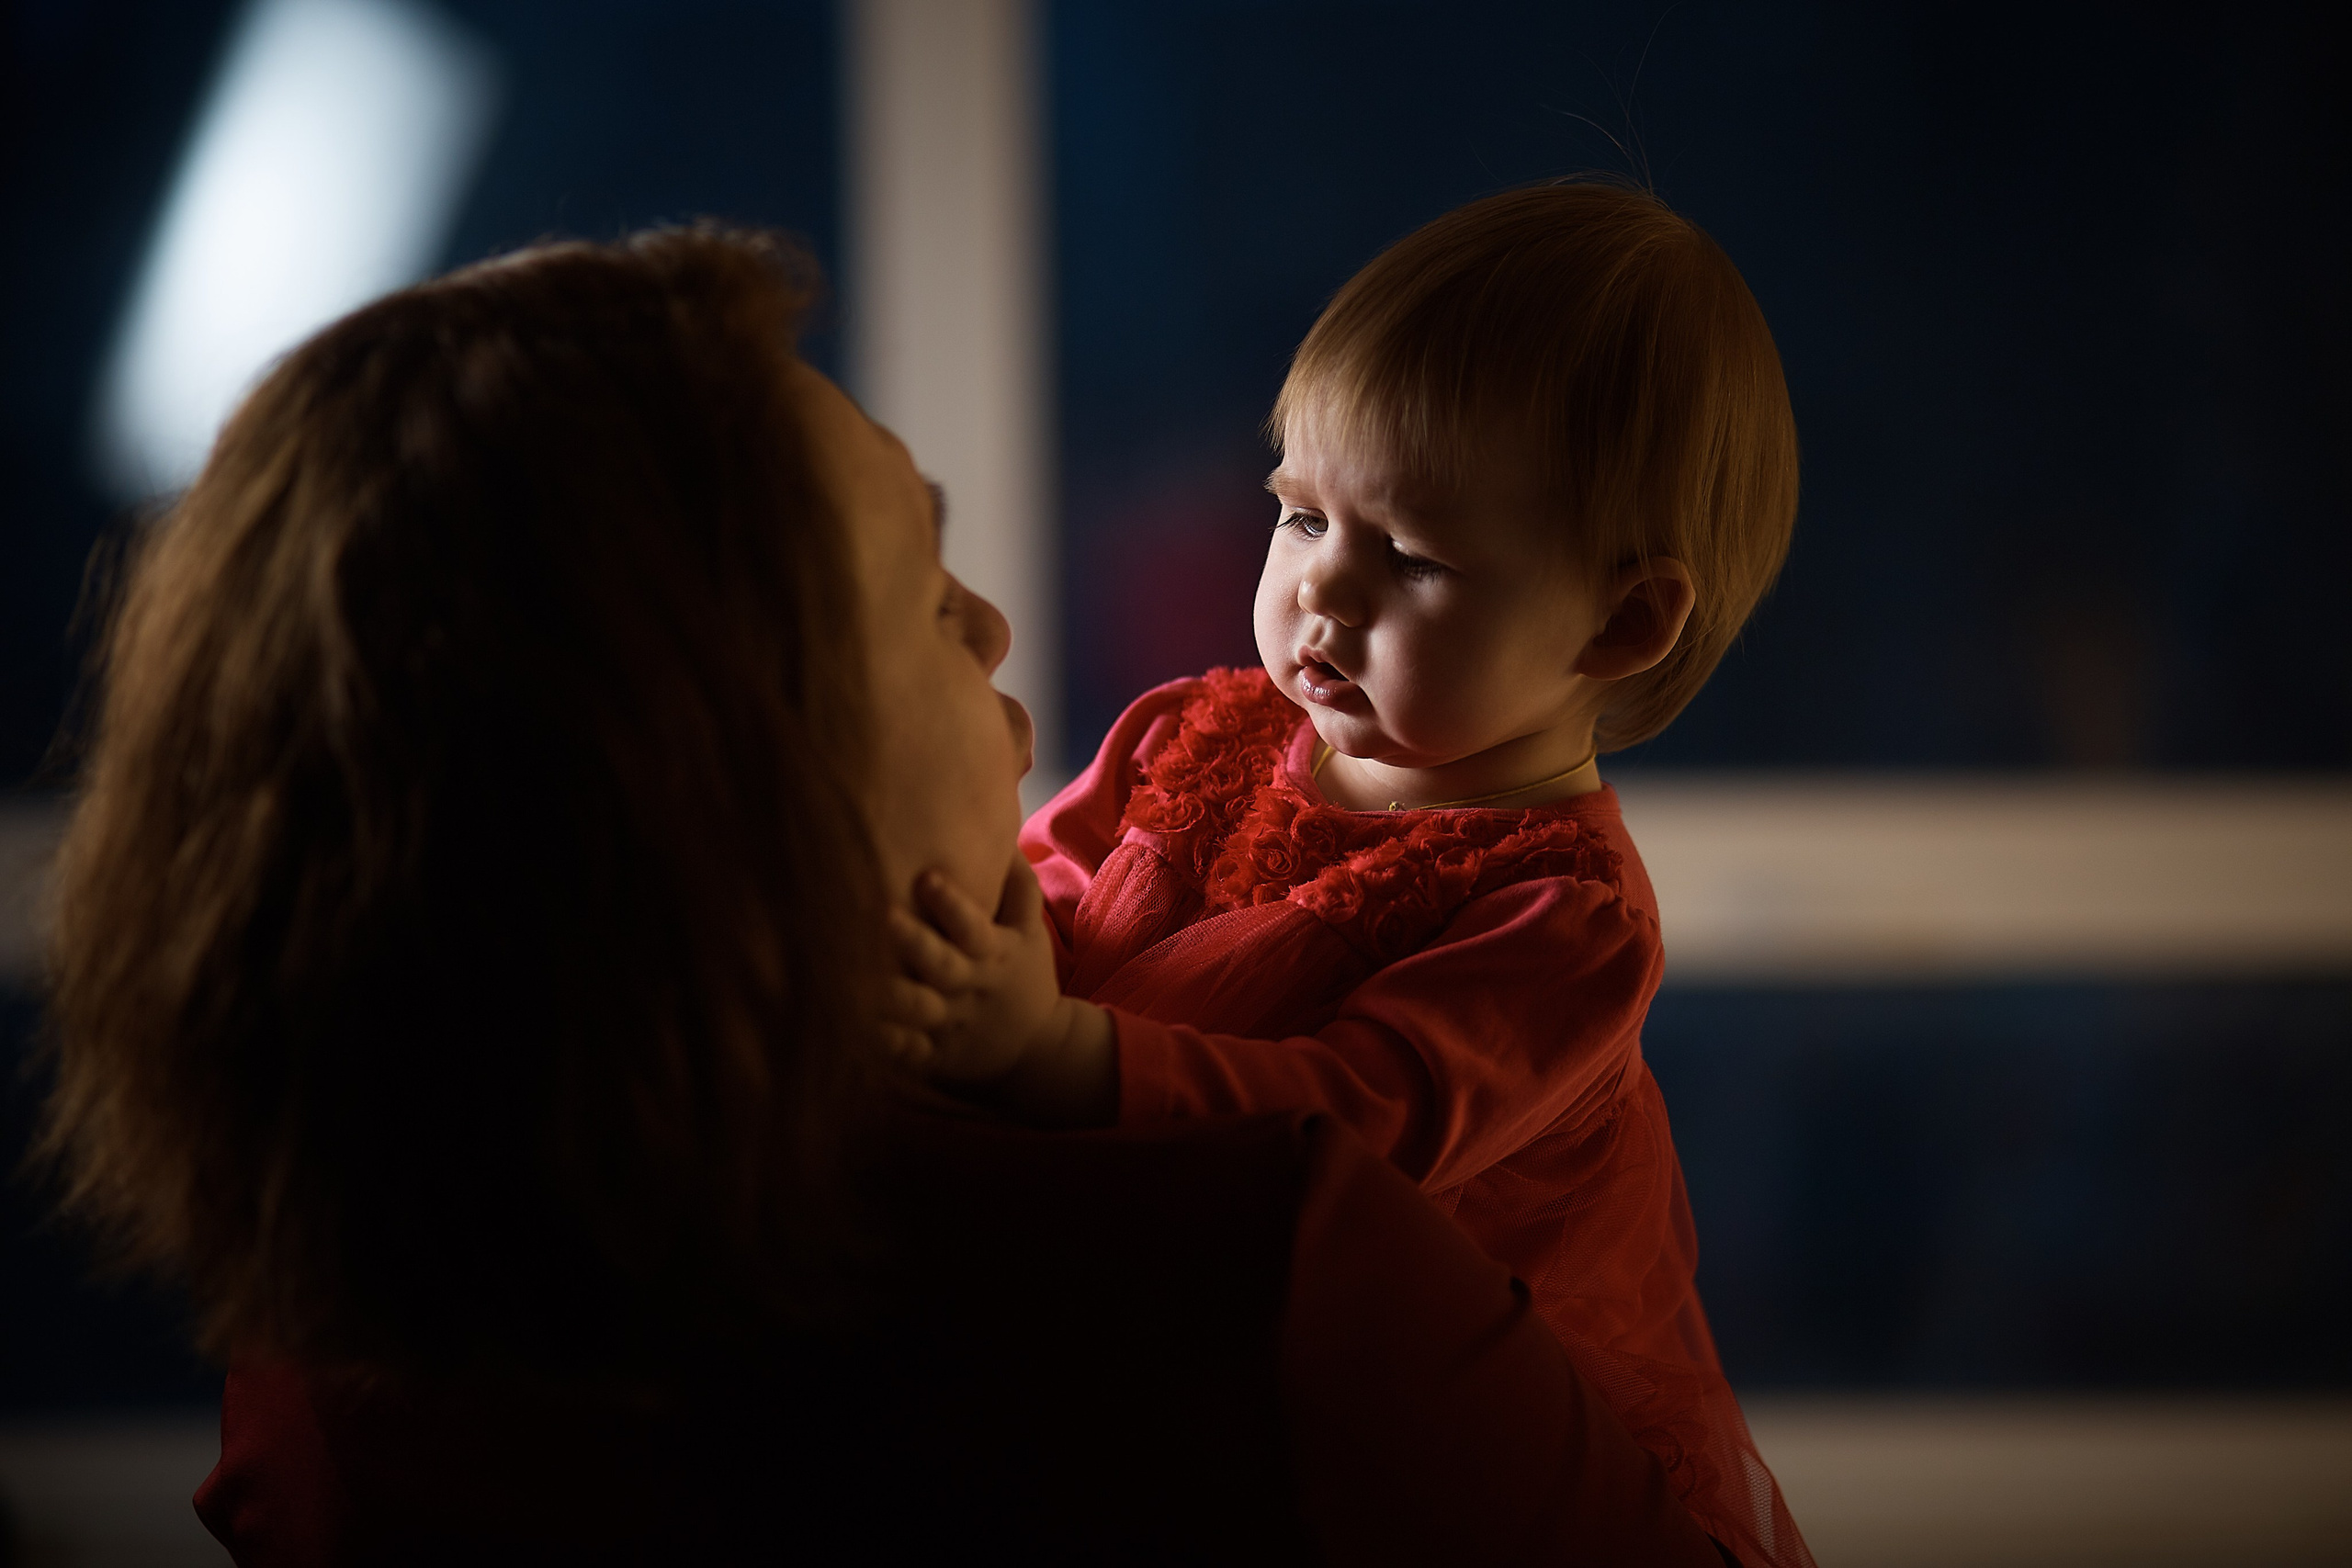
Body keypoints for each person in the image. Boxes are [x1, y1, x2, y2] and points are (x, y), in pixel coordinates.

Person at [36, 227, 1736, 1563]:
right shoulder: (1268, 1298)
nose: (995, 628)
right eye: (922, 597)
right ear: (708, 769)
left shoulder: (334, 1325)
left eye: (1416, 554)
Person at [886, 181, 1810, 1568]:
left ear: (1621, 622)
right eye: (1301, 516)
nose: (1323, 590)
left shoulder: (1562, 919)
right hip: (1174, 1315)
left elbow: (1352, 1133)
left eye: (1413, 557)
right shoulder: (1192, 726)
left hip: (1408, 1450)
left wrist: (1051, 1052)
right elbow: (1046, 900)